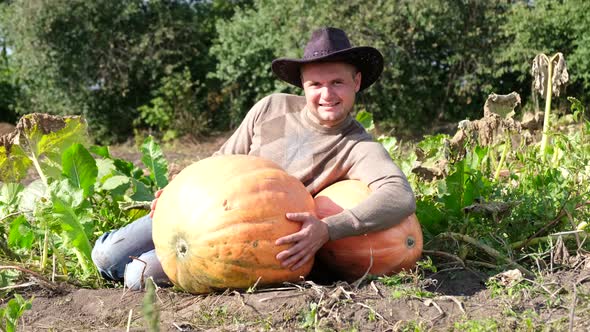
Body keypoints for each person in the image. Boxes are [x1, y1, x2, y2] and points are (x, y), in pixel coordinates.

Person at [91, 27, 416, 290]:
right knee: (104, 255)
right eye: (316, 84)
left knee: (136, 278)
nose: (326, 95)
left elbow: (399, 195)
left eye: (337, 83)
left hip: (246, 236)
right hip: (200, 207)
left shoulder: (357, 145)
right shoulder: (271, 108)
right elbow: (222, 158)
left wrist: (329, 229)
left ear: (356, 82)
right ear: (303, 85)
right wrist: (177, 189)